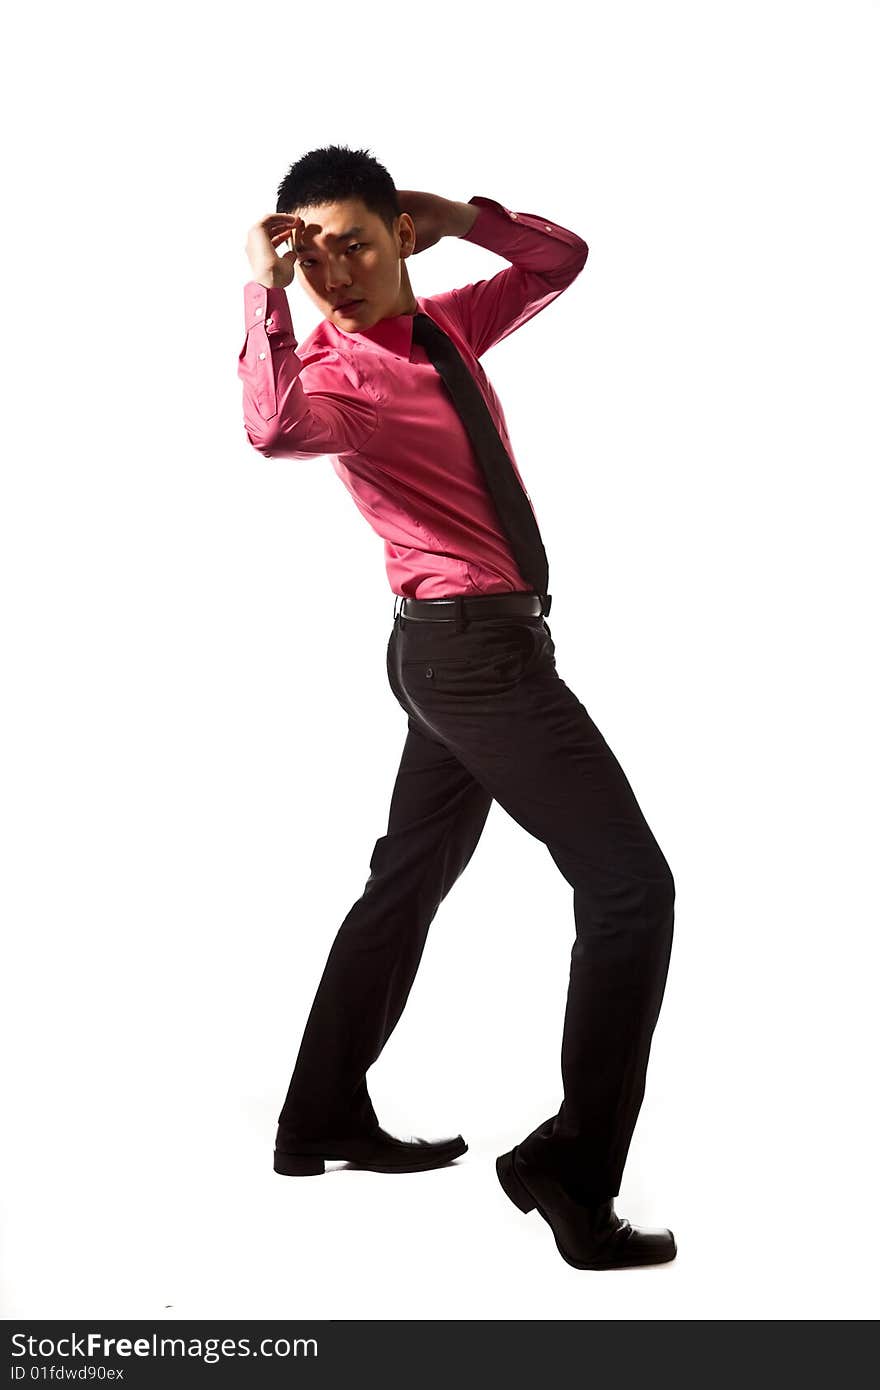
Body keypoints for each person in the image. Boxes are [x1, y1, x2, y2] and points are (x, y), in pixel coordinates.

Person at [238, 144, 677, 1270]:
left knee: (404, 885)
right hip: (474, 662)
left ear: (396, 239)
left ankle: (320, 1112)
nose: (333, 270)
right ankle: (569, 1172)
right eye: (311, 250)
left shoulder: (447, 329)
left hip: (459, 654)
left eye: (355, 241)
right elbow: (271, 428)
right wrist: (262, 296)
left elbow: (560, 258)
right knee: (630, 888)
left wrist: (459, 213)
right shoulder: (334, 379)